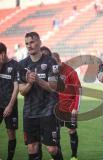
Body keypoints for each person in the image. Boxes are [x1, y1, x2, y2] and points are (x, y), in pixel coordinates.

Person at [18, 32, 63, 160]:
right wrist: (29, 84)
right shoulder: (22, 64)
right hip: (30, 112)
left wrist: (38, 80)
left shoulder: (50, 61)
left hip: (48, 112)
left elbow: (53, 87)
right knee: (32, 147)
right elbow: (22, 90)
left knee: (52, 149)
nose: (29, 46)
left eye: (32, 42)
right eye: (27, 43)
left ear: (39, 42)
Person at [52, 52, 81, 160]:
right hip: (56, 108)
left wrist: (75, 108)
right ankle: (58, 157)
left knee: (71, 131)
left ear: (59, 60)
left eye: (55, 64)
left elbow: (79, 90)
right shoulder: (51, 71)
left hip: (70, 107)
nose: (54, 67)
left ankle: (74, 156)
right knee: (55, 132)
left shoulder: (70, 71)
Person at [0, 42, 19, 160]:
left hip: (10, 105)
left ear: (2, 54)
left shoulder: (15, 65)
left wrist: (10, 106)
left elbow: (16, 87)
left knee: (10, 132)